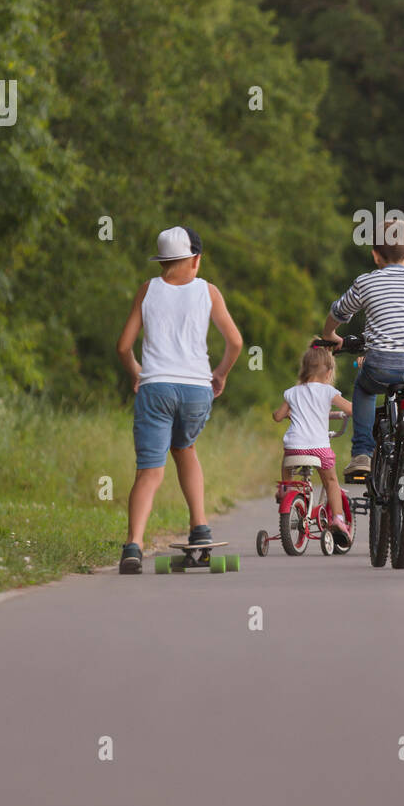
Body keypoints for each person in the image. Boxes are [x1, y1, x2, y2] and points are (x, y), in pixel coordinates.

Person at [115, 225, 243, 574]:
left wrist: (135, 372)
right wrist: (221, 374)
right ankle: (199, 528)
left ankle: (133, 547)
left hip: (155, 388)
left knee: (149, 472)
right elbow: (235, 343)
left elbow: (124, 346)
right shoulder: (208, 291)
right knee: (185, 449)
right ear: (195, 260)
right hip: (196, 389)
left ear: (162, 262)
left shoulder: (147, 290)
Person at [320, 218, 404, 521]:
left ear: (375, 255)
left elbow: (338, 312)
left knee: (364, 389)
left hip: (380, 364)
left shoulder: (366, 281)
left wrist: (330, 336)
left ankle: (363, 453)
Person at [272, 345, 353, 544]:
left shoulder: (292, 392)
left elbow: (277, 416)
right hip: (319, 448)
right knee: (332, 482)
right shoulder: (328, 391)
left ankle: (286, 489)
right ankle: (338, 519)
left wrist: (291, 414)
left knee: (287, 457)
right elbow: (351, 409)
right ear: (328, 372)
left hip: (295, 446)